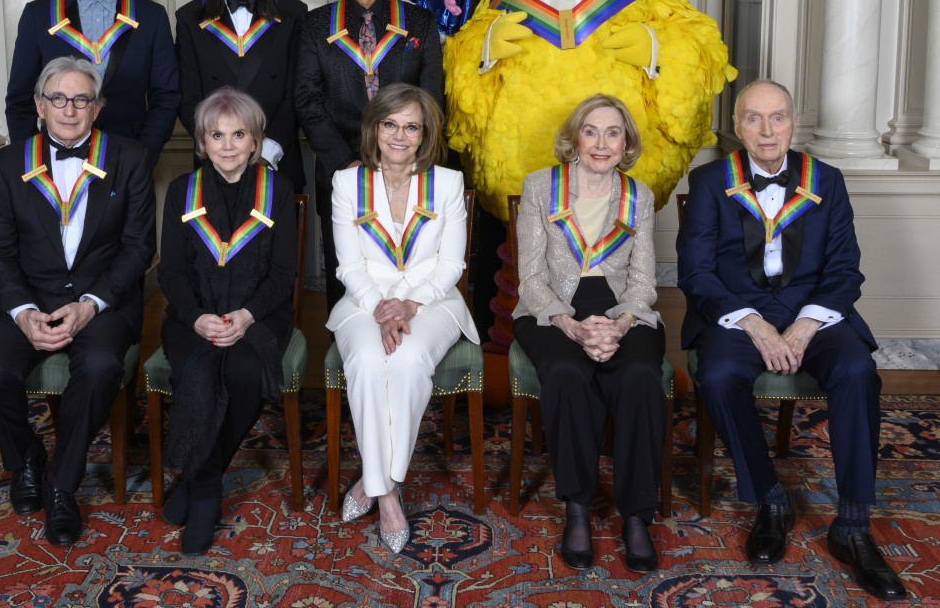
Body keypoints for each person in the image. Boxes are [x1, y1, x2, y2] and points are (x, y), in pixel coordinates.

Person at [677, 79, 905, 600]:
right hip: (739, 314)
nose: (766, 130)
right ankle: (771, 499)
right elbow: (696, 273)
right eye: (752, 119)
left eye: (777, 117)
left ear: (793, 122)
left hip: (813, 314)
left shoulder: (828, 179)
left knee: (857, 371)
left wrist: (805, 324)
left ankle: (851, 524)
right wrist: (755, 324)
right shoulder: (711, 181)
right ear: (735, 126)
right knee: (716, 375)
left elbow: (846, 269)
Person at [0, 56, 155, 547]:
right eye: (58, 99)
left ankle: (62, 486)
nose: (69, 109)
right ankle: (28, 457)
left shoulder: (130, 158)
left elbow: (138, 249)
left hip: (103, 301)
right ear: (39, 105)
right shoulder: (9, 164)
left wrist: (91, 304)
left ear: (97, 108)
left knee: (96, 368)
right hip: (28, 299)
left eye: (81, 99)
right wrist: (24, 313)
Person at [513, 94, 666, 572]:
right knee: (565, 372)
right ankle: (577, 507)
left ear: (626, 144)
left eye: (613, 133)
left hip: (621, 307)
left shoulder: (640, 195)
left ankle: (637, 515)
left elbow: (643, 281)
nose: (602, 143)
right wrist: (573, 327)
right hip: (552, 308)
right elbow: (531, 278)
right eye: (591, 131)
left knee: (641, 375)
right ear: (574, 138)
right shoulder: (540, 187)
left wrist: (620, 324)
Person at [327, 84, 478, 553]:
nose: (399, 135)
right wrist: (380, 306)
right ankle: (388, 494)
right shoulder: (345, 183)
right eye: (390, 124)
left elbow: (452, 264)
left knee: (409, 362)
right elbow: (349, 266)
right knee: (371, 364)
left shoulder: (448, 183)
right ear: (374, 128)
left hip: (432, 303)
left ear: (424, 134)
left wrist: (409, 304)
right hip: (361, 302)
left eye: (411, 126)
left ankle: (372, 484)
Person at [158, 87, 297, 555]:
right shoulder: (182, 191)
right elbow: (171, 273)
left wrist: (246, 315)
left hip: (258, 314)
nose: (229, 144)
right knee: (197, 370)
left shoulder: (277, 191)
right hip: (191, 317)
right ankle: (206, 494)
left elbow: (284, 273)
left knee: (241, 372)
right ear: (201, 142)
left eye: (239, 134)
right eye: (217, 135)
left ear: (255, 140)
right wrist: (197, 318)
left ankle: (199, 481)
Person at [295, 0, 443, 313]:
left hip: (406, 169)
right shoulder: (314, 25)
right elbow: (307, 100)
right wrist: (347, 164)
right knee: (344, 272)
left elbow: (431, 100)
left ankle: (403, 342)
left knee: (407, 267)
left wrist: (405, 160)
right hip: (338, 165)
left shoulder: (420, 22)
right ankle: (344, 356)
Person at [5, 0, 179, 167]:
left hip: (128, 159)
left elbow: (166, 96)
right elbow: (20, 99)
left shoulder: (151, 16)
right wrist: (35, 162)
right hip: (55, 160)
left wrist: (143, 155)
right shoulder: (38, 16)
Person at [175, 0, 308, 190]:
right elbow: (187, 96)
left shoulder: (294, 13)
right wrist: (219, 148)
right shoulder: (189, 18)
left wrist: (267, 151)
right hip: (214, 161)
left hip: (276, 159)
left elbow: (297, 92)